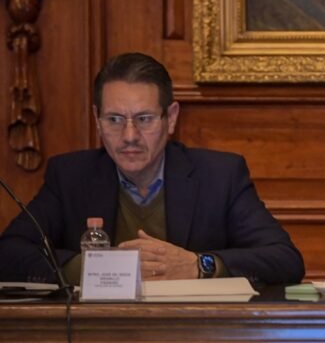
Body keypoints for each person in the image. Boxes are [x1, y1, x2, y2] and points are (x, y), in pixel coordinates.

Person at [0, 52, 305, 286]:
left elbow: (284, 259)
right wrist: (90, 267)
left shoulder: (219, 176)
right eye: (114, 120)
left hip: (196, 335)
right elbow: (9, 253)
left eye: (144, 119)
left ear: (170, 118)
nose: (129, 135)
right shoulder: (70, 176)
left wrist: (199, 265)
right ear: (97, 120)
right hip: (96, 336)